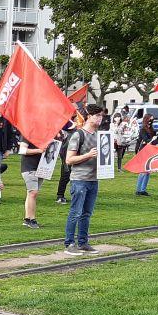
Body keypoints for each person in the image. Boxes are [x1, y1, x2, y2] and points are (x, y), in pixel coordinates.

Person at [64, 103, 105, 254]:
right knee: (76, 212)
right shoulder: (78, 135)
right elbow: (69, 160)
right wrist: (88, 155)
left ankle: (83, 242)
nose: (100, 118)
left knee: (87, 213)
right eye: (97, 115)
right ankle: (69, 243)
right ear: (89, 116)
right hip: (79, 179)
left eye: (101, 115)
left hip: (94, 179)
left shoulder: (99, 136)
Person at [19, 130, 47, 229]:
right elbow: (22, 150)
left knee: (31, 193)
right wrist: (39, 150)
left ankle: (27, 219)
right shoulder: (28, 133)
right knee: (33, 193)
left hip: (41, 167)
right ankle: (32, 219)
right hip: (29, 167)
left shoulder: (46, 134)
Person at [134, 114, 156, 195]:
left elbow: (155, 141)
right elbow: (146, 140)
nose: (151, 121)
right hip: (143, 151)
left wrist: (156, 138)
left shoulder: (151, 129)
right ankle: (138, 189)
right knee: (143, 171)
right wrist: (151, 139)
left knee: (148, 171)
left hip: (150, 150)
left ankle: (143, 189)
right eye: (150, 119)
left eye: (152, 119)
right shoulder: (143, 129)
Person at [55, 121, 75, 204]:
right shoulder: (66, 133)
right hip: (67, 156)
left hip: (69, 155)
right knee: (66, 176)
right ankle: (60, 195)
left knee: (67, 176)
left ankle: (61, 195)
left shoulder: (72, 133)